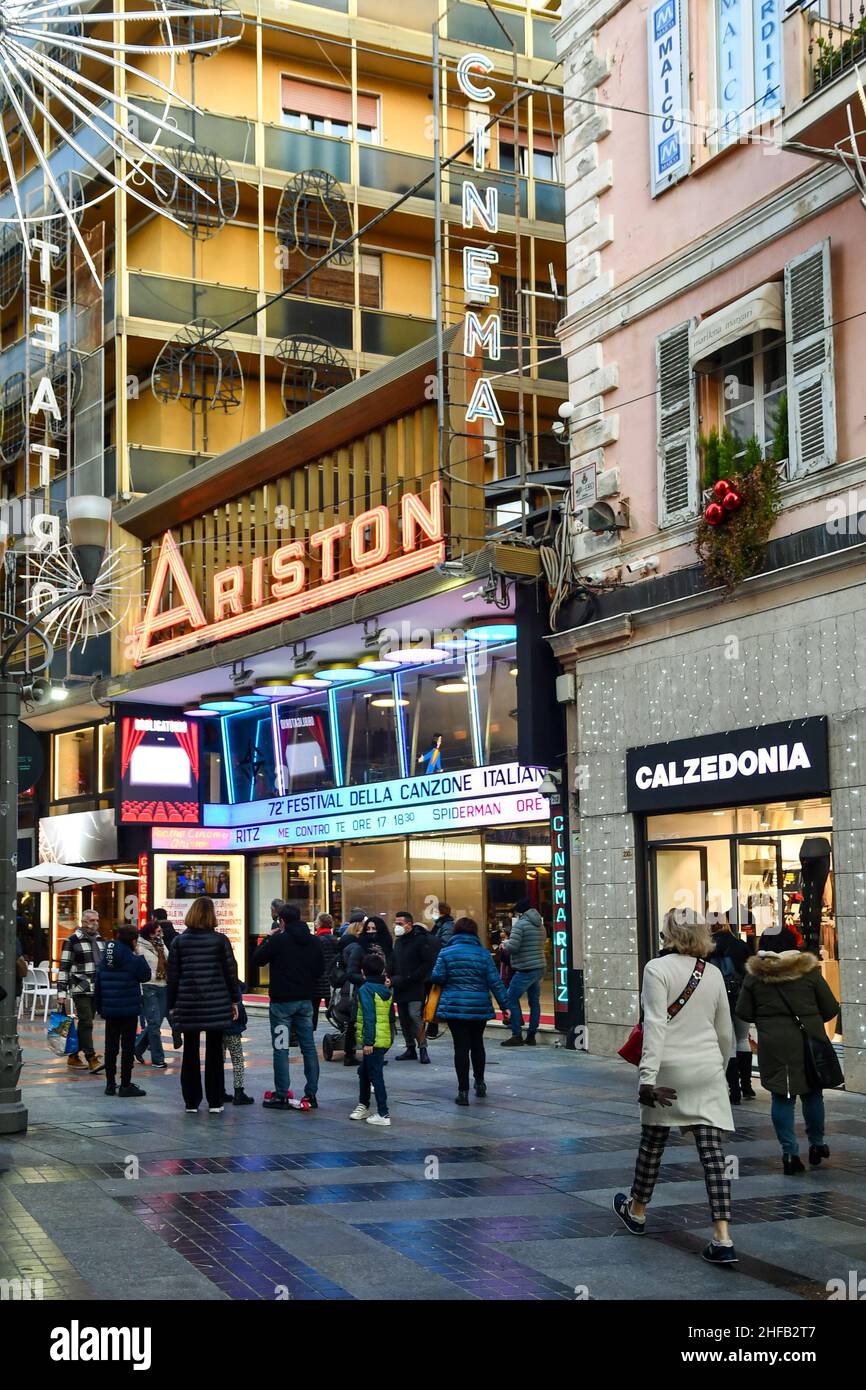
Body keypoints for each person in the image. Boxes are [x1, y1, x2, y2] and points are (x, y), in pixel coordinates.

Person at [613, 908, 737, 1266]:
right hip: (706, 1070)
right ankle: (722, 1236)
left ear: (667, 932)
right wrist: (719, 1069)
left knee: (653, 1143)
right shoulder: (712, 973)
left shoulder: (656, 969)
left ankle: (636, 1210)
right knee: (713, 1156)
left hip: (668, 1071)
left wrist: (647, 1077)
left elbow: (655, 1026)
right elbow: (725, 1030)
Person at [736, 948, 840, 1173]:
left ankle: (790, 1154)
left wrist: (767, 1020)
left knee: (782, 1096)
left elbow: (743, 1011)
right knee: (812, 1092)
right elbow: (831, 1008)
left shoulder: (755, 975)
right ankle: (817, 1144)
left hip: (774, 1044)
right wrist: (810, 1018)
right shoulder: (809, 972)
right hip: (808, 1041)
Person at [167, 897, 239, 1114]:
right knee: (215, 1053)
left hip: (188, 1004)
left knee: (190, 1052)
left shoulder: (179, 942)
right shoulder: (220, 941)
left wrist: (171, 1006)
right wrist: (235, 1000)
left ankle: (191, 1101)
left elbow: (173, 977)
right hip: (216, 1003)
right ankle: (215, 1101)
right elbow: (230, 972)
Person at [431, 917, 510, 1106]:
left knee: (460, 1047)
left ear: (456, 932)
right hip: (479, 1006)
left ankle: (463, 1091)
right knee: (477, 1044)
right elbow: (495, 982)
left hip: (455, 1007)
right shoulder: (483, 954)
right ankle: (480, 1082)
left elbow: (437, 977)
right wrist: (505, 1006)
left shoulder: (446, 952)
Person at [253, 903, 324, 1111]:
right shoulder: (313, 941)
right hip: (305, 1002)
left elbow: (258, 959)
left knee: (281, 1048)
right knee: (308, 1048)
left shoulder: (278, 940)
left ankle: (282, 1094)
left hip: (282, 1003)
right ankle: (311, 1094)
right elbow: (320, 970)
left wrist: (269, 938)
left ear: (282, 921)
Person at [93, 927, 151, 1098]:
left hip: (111, 1010)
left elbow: (98, 985)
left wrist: (100, 1007)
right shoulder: (132, 959)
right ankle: (125, 1084)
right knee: (127, 1048)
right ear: (133, 941)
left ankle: (110, 1084)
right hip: (129, 1010)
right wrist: (139, 955)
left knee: (110, 1047)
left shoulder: (106, 959)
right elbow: (146, 976)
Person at [707, 913, 754, 1103]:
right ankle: (748, 1086)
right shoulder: (740, 945)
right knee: (743, 1039)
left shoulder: (706, 948)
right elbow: (750, 971)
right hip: (741, 997)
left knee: (730, 1042)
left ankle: (733, 1090)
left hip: (719, 1000)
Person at [56, 909, 105, 1075]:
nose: (95, 923)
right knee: (86, 1021)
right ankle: (91, 1058)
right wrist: (61, 994)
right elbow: (64, 967)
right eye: (91, 920)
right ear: (83, 922)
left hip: (97, 987)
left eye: (97, 920)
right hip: (80, 987)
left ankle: (73, 1055)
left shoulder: (100, 940)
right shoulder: (72, 940)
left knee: (86, 1023)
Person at [348, 955, 394, 1127]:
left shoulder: (366, 989)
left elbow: (369, 1016)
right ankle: (364, 1105)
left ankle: (383, 1113)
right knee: (364, 1072)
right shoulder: (384, 989)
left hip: (373, 1040)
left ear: (362, 972)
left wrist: (368, 1042)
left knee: (375, 1076)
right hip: (382, 1037)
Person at [500, 897, 547, 1047]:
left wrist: (505, 945)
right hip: (539, 966)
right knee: (534, 1002)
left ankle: (516, 1034)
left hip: (525, 968)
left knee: (510, 998)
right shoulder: (540, 924)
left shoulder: (520, 925)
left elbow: (513, 947)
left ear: (519, 912)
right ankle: (531, 1035)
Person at [392, 911, 433, 1064]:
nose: (397, 927)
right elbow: (394, 961)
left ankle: (423, 1047)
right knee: (403, 1018)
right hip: (400, 985)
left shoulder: (420, 940)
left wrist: (412, 977)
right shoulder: (398, 942)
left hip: (415, 985)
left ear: (409, 924)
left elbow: (426, 963)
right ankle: (410, 1047)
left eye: (400, 924)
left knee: (414, 1016)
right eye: (396, 923)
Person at [135, 920, 169, 1068]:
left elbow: (168, 958)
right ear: (149, 933)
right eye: (158, 932)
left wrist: (161, 946)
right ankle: (158, 1058)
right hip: (148, 986)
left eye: (161, 932)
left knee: (157, 1022)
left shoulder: (160, 945)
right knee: (154, 1023)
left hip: (163, 985)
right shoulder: (139, 947)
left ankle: (137, 1047)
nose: (160, 934)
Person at [337, 919, 367, 1066]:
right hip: (354, 988)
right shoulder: (356, 947)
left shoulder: (347, 946)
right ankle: (351, 1053)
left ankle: (350, 1052)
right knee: (355, 1020)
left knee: (352, 1021)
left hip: (348, 988)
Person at [222, 985, 253, 1106]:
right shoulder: (234, 987)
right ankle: (239, 1092)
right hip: (232, 1030)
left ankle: (219, 1090)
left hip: (218, 1029)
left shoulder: (216, 984)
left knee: (219, 1061)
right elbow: (240, 1010)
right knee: (238, 1060)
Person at [312, 912, 338, 1029]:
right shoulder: (335, 939)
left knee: (313, 1009)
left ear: (321, 923)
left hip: (318, 979)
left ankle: (310, 1031)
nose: (315, 923)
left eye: (317, 921)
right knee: (333, 1007)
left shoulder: (317, 940)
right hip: (331, 979)